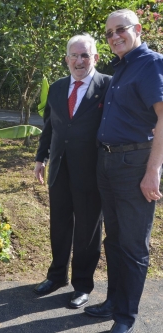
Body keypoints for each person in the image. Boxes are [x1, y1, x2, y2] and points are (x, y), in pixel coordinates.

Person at [83, 9, 163, 333]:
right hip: (108, 164)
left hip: (135, 167)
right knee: (113, 240)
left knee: (132, 246)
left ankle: (125, 318)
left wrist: (153, 169)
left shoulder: (151, 64)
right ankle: (113, 302)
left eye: (121, 30)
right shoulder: (121, 68)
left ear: (138, 29)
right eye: (108, 33)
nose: (114, 36)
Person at [33, 34, 111, 309]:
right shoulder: (56, 88)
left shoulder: (108, 86)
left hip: (92, 171)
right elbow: (50, 127)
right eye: (74, 56)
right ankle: (56, 277)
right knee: (60, 225)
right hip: (60, 169)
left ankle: (82, 285)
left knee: (87, 230)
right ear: (66, 58)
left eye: (85, 55)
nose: (79, 61)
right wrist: (40, 158)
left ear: (96, 58)